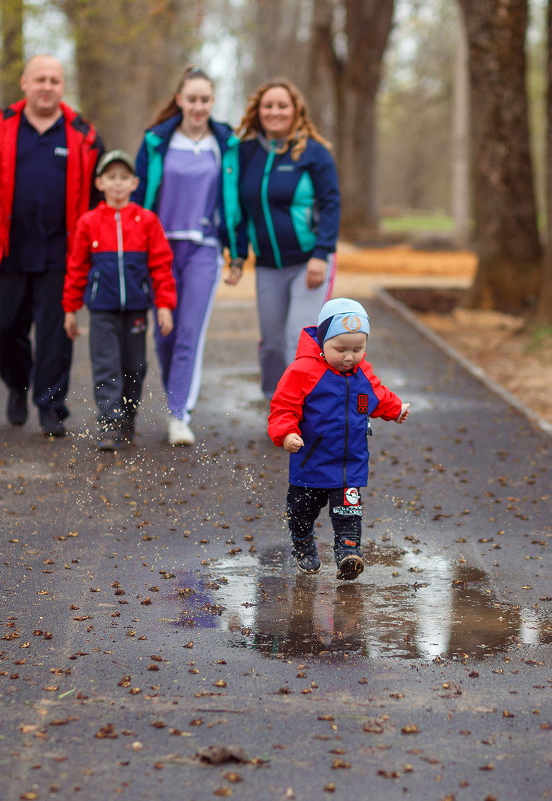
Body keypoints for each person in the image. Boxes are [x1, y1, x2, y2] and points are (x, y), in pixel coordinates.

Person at [0, 55, 105, 438]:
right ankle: (18, 385)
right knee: (5, 328)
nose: (47, 86)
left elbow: (99, 194)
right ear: (24, 82)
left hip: (62, 254)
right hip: (6, 253)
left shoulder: (84, 137)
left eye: (55, 80)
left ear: (62, 86)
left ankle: (52, 406)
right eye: (40, 78)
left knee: (57, 336)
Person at [135, 67, 243, 446]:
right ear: (179, 99)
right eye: (191, 99)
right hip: (159, 250)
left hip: (204, 249)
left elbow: (235, 202)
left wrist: (237, 255)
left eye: (205, 100)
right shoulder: (155, 142)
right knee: (164, 334)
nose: (198, 106)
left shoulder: (225, 145)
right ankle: (176, 398)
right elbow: (137, 196)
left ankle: (179, 414)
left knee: (188, 334)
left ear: (212, 102)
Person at [267, 298, 411, 580]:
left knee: (349, 513)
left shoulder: (362, 373)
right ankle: (304, 543)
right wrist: (286, 434)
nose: (350, 357)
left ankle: (348, 553)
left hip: (348, 466)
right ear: (322, 342)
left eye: (358, 349)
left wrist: (396, 409)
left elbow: (378, 395)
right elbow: (283, 407)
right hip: (311, 462)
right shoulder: (302, 372)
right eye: (340, 349)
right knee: (301, 512)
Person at [234, 78, 341, 399]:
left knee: (301, 338)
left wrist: (321, 254)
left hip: (308, 261)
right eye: (268, 106)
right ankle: (275, 403)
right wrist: (238, 255)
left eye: (282, 105)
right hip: (267, 265)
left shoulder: (314, 153)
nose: (275, 112)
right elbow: (237, 209)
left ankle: (304, 408)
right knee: (271, 344)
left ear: (296, 111)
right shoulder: (245, 154)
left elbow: (331, 204)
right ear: (258, 111)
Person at [63, 150, 177, 452]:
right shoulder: (88, 222)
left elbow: (161, 266)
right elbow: (76, 267)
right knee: (106, 367)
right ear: (99, 183)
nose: (117, 183)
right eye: (111, 177)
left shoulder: (147, 221)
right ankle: (108, 424)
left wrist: (164, 305)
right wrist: (70, 309)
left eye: (123, 178)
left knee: (134, 367)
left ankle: (128, 418)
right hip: (102, 311)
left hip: (137, 310)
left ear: (134, 183)